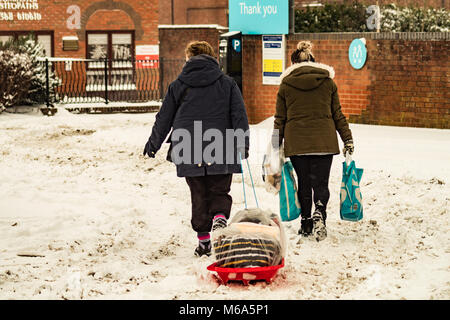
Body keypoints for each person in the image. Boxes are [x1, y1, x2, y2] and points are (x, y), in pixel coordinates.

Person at [143, 41, 250, 257]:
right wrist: (242, 144)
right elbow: (239, 115)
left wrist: (153, 143)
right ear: (212, 58)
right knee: (220, 188)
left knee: (198, 193)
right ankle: (220, 217)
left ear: (189, 59)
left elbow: (164, 117)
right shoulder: (227, 83)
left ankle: (204, 242)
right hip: (221, 141)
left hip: (187, 143)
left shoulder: (178, 85)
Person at [273, 41, 354, 242]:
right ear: (313, 61)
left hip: (297, 144)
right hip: (324, 142)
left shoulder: (285, 85)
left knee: (304, 183)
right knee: (321, 183)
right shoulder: (328, 83)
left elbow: (279, 119)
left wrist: (275, 144)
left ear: (293, 64)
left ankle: (306, 221)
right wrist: (348, 139)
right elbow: (338, 115)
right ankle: (320, 213)